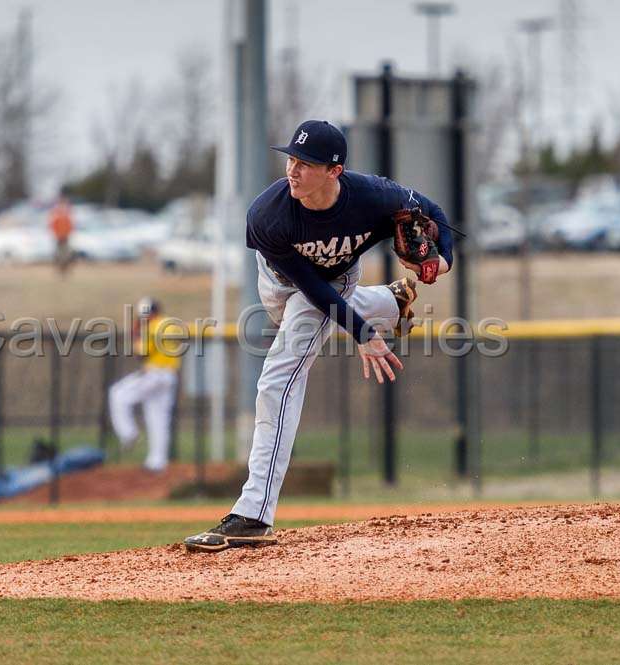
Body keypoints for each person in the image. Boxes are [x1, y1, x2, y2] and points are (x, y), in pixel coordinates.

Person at [184, 120, 454, 552]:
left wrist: (443, 263)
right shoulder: (267, 214)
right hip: (280, 282)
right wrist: (364, 331)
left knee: (278, 379)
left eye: (306, 163)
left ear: (334, 171)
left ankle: (253, 514)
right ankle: (387, 304)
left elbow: (433, 211)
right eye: (291, 159)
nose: (292, 170)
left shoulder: (374, 197)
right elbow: (309, 285)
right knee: (301, 312)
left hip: (338, 281)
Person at [108, 297, 182, 472]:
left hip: (154, 375)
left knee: (118, 394)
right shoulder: (170, 324)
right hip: (169, 376)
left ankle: (128, 434)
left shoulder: (154, 326)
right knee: (158, 419)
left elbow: (142, 353)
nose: (142, 319)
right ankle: (157, 462)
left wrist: (135, 335)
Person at [48, 187, 75, 275]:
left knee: (66, 254)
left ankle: (65, 270)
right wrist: (56, 233)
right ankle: (59, 270)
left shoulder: (68, 212)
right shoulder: (56, 213)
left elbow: (71, 225)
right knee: (59, 254)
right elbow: (52, 224)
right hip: (59, 237)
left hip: (66, 236)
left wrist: (69, 232)